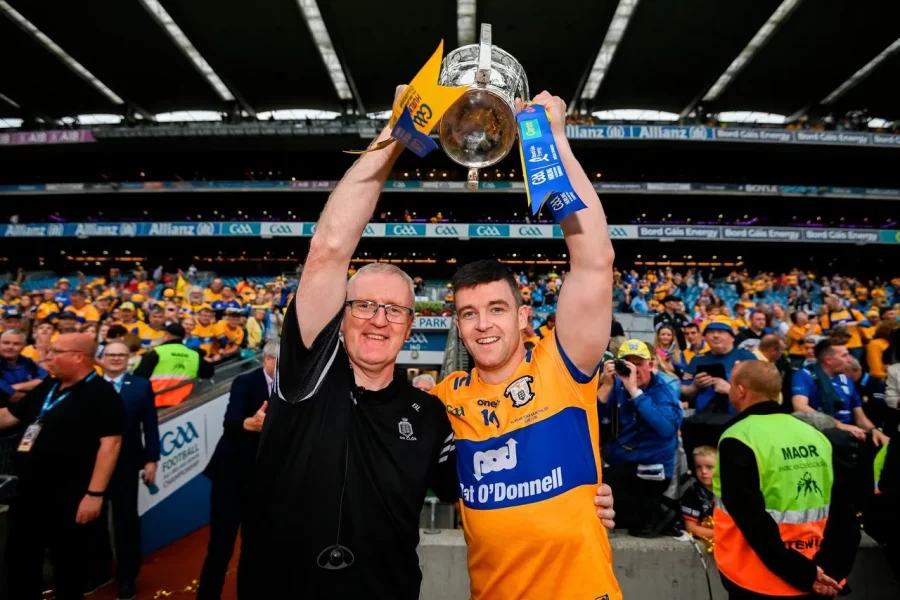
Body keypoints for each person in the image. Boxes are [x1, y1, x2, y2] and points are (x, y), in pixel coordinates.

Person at [239, 86, 616, 600]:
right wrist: (397, 134)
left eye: (394, 309)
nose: (378, 320)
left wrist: (554, 140)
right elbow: (329, 248)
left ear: (412, 324)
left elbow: (594, 260)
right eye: (364, 306)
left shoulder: (439, 407)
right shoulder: (319, 379)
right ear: (341, 319)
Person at [432, 90, 622, 600]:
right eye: (468, 314)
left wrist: (554, 139)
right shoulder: (444, 400)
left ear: (523, 316)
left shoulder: (562, 364)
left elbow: (594, 260)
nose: (483, 325)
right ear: (457, 324)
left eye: (496, 309)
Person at [714, 361, 859, 599]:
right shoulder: (814, 435)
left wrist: (805, 574)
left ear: (740, 390)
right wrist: (830, 571)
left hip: (759, 578)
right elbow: (843, 509)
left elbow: (753, 519)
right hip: (820, 573)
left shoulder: (738, 436)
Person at [0, 333, 123, 599]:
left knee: (69, 567)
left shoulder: (102, 394)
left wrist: (94, 495)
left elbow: (110, 445)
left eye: (55, 352)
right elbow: (9, 416)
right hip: (29, 493)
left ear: (78, 357)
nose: (47, 358)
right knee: (19, 562)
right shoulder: (49, 386)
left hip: (70, 497)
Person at [198, 341, 277, 600]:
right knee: (220, 548)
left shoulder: (294, 387)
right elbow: (230, 419)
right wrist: (249, 423)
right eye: (282, 362)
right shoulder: (244, 382)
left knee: (254, 550)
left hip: (264, 482)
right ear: (267, 360)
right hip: (230, 478)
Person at [598, 339, 682, 536]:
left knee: (616, 513)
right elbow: (593, 418)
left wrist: (636, 392)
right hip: (621, 462)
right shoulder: (616, 387)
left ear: (651, 365)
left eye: (638, 364)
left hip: (651, 468)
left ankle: (661, 511)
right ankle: (647, 511)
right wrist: (607, 384)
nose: (634, 370)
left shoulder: (663, 390)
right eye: (628, 364)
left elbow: (666, 428)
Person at [101, 341, 159, 600]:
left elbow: (150, 425)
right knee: (92, 521)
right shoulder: (90, 385)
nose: (115, 359)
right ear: (101, 358)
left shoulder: (140, 386)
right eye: (111, 355)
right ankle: (98, 572)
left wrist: (152, 459)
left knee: (126, 521)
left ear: (129, 358)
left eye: (121, 355)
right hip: (90, 466)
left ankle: (127, 578)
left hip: (126, 464)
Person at [133, 322, 213, 407]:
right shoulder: (194, 355)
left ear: (167, 335)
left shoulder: (156, 352)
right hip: (183, 403)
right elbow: (209, 372)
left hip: (155, 403)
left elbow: (138, 377)